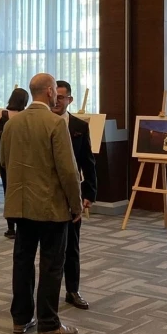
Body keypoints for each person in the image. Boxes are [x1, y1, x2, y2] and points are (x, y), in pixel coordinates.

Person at [0, 73, 82, 334]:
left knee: (22, 262)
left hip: (21, 206)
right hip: (51, 208)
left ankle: (20, 319)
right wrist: (76, 205)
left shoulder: (11, 124)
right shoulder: (56, 123)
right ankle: (48, 323)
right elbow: (68, 171)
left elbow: (3, 160)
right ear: (49, 92)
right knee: (51, 265)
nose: (57, 96)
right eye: (55, 91)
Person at [53, 80, 98, 310]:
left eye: (62, 98)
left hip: (73, 196)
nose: (58, 102)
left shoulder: (79, 125)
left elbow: (87, 162)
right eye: (55, 97)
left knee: (72, 246)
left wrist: (89, 192)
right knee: (50, 250)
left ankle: (73, 290)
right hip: (49, 196)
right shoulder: (45, 123)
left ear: (69, 100)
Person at [0, 88, 30, 239]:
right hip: (24, 159)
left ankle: (10, 227)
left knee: (8, 191)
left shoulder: (3, 114)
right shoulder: (27, 116)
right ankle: (23, 224)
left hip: (5, 160)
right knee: (23, 191)